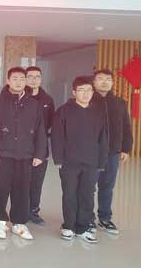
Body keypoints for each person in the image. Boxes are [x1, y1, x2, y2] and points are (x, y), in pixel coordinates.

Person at [0, 67, 46, 241]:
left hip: (26, 154)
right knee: (0, 188)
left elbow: (40, 130)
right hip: (3, 153)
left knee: (22, 190)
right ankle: (0, 221)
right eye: (15, 78)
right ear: (8, 80)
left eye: (22, 79)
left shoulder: (33, 104)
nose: (19, 82)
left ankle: (19, 223)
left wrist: (39, 154)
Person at [51, 76, 108, 244]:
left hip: (91, 161)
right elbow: (56, 136)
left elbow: (103, 137)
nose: (85, 94)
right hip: (69, 162)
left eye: (89, 90)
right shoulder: (64, 111)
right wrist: (58, 159)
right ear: (74, 92)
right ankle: (68, 226)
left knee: (87, 195)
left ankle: (83, 227)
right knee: (69, 194)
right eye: (81, 90)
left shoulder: (98, 112)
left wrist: (101, 161)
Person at [91, 68, 133, 234]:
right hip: (91, 152)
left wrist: (126, 148)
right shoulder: (88, 99)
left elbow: (126, 127)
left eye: (108, 79)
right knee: (88, 186)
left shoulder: (119, 103)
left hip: (112, 153)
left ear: (113, 83)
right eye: (100, 79)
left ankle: (105, 218)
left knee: (107, 186)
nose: (104, 82)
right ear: (94, 82)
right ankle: (87, 218)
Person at [25, 66, 55, 225]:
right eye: (30, 76)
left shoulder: (47, 100)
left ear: (41, 79)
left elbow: (50, 123)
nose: (34, 80)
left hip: (40, 147)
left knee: (37, 182)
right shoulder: (20, 97)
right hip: (21, 146)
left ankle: (33, 211)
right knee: (21, 181)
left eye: (37, 76)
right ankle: (21, 210)